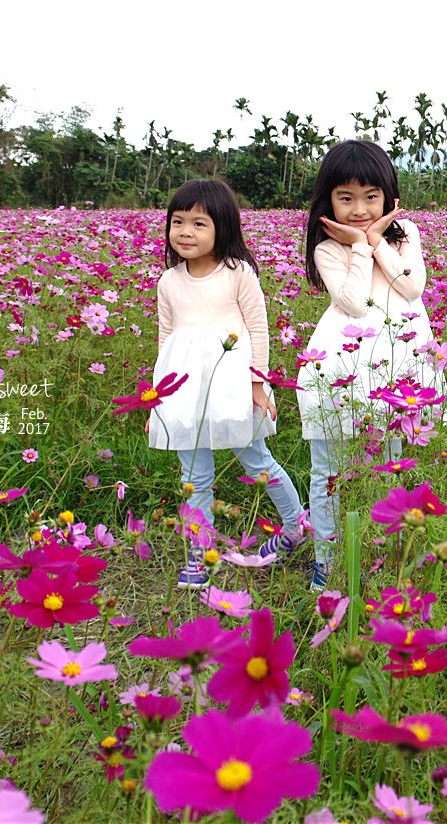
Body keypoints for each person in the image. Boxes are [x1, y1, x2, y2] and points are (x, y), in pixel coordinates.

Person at [297, 141, 445, 590]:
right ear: (328, 201)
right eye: (346, 198)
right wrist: (359, 248)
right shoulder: (328, 248)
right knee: (328, 469)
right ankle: (327, 558)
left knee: (389, 464)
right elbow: (356, 304)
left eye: (370, 196)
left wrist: (376, 240)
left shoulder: (407, 234)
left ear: (388, 197)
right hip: (343, 363)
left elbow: (412, 287)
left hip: (399, 362)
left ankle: (379, 555)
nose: (359, 208)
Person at [149, 178, 304, 588]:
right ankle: (198, 556)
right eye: (177, 222)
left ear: (223, 227)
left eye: (199, 223)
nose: (185, 232)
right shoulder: (168, 281)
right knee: (194, 476)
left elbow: (258, 328)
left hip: (233, 383)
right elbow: (167, 338)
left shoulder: (238, 274)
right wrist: (156, 401)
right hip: (182, 387)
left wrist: (258, 385)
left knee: (257, 461)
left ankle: (294, 526)